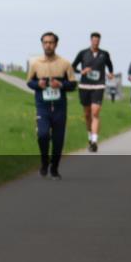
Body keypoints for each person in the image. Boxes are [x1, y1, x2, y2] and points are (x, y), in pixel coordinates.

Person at [29, 33, 77, 178]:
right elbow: (29, 82)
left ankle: (54, 168)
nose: (48, 45)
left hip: (59, 108)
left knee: (58, 140)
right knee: (42, 135)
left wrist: (61, 84)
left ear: (56, 44)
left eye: (51, 42)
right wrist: (38, 84)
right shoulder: (35, 63)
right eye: (45, 42)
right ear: (42, 44)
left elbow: (73, 84)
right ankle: (44, 162)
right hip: (42, 107)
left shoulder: (65, 63)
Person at [71, 32, 114, 152]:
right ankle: (90, 137)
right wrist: (81, 71)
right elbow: (73, 66)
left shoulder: (104, 54)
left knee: (95, 112)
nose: (96, 42)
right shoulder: (83, 53)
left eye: (98, 41)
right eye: (94, 40)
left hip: (99, 85)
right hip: (84, 86)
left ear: (99, 41)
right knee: (87, 114)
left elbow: (110, 65)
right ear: (91, 41)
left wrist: (110, 73)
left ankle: (95, 141)